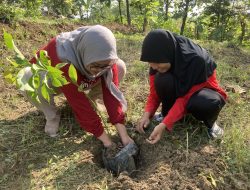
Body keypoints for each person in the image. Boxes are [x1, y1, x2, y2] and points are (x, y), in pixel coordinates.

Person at [22, 25, 134, 148]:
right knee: (29, 77)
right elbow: (78, 102)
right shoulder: (63, 57)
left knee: (120, 66)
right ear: (86, 54)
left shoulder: (107, 58)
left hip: (81, 80)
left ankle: (93, 100)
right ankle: (52, 115)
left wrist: (124, 136)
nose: (99, 71)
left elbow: (112, 95)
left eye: (105, 67)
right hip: (52, 81)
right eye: (96, 66)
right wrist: (107, 141)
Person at [136, 29, 227, 144]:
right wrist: (147, 114)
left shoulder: (196, 60)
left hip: (203, 92)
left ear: (168, 54)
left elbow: (185, 98)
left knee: (205, 102)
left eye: (158, 64)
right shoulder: (157, 58)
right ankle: (166, 113)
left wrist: (164, 125)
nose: (154, 67)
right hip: (182, 88)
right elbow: (154, 93)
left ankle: (211, 124)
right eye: (151, 64)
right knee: (162, 79)